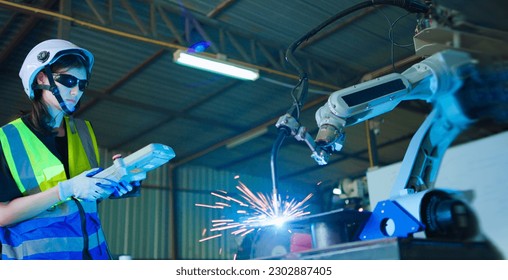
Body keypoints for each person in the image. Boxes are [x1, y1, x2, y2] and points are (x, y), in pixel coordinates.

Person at [0, 39, 136, 260]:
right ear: (41, 78)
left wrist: (113, 183)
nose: (76, 91)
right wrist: (64, 190)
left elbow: (83, 199)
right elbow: (2, 214)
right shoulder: (7, 138)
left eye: (82, 84)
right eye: (68, 80)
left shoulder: (83, 131)